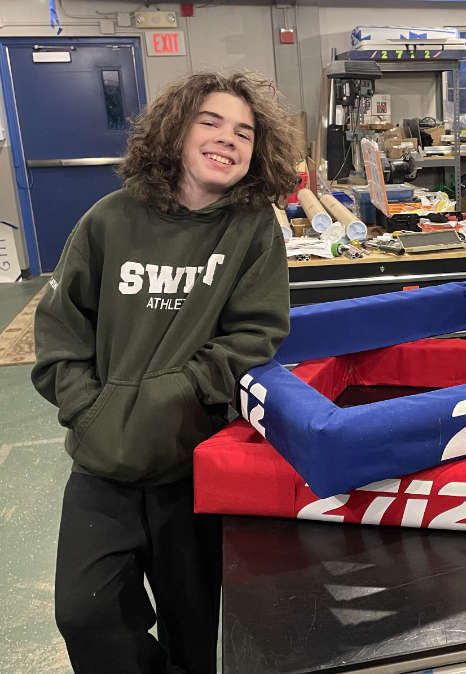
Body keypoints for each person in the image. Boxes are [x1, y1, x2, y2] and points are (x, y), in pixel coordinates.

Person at [31, 71, 302, 673]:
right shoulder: (110, 219)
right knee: (85, 613)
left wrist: (178, 395)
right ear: (175, 131)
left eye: (245, 132)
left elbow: (256, 336)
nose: (227, 139)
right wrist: (90, 410)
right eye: (210, 122)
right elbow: (59, 331)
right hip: (104, 463)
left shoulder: (254, 230)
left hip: (194, 464)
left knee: (195, 621)